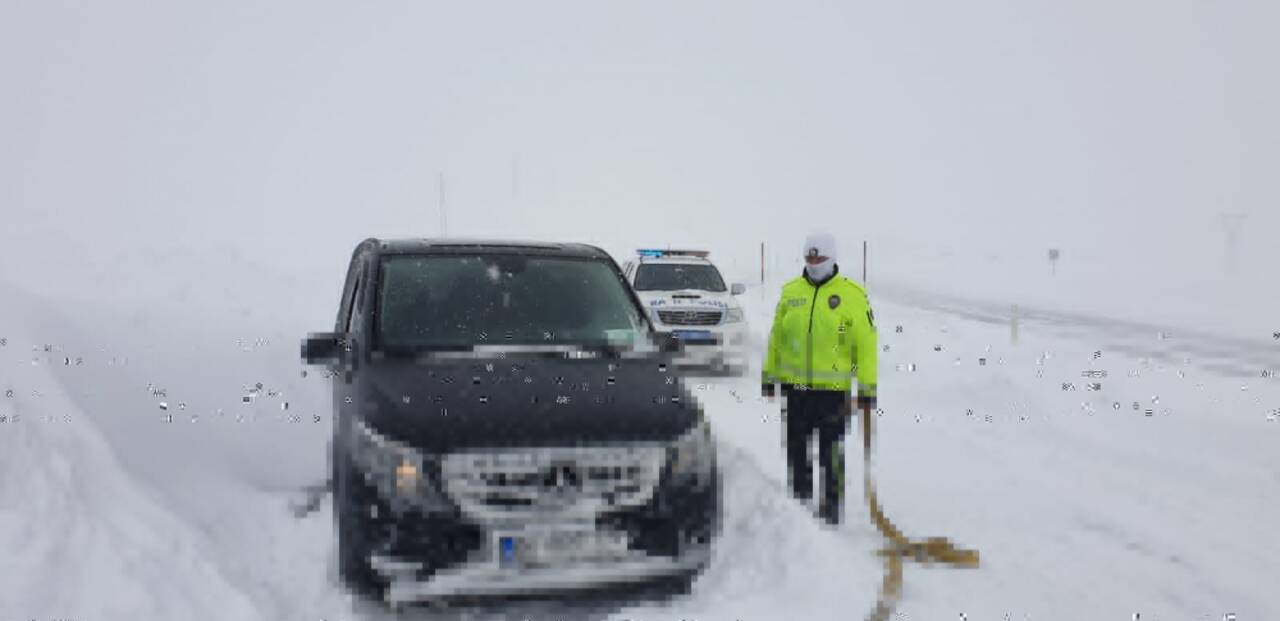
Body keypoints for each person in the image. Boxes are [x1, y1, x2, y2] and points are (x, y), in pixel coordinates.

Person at [762, 232, 878, 524]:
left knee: (831, 453)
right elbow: (777, 338)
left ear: (832, 258)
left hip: (833, 393)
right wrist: (769, 375)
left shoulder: (852, 294)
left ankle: (831, 508)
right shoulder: (791, 292)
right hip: (797, 389)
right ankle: (799, 506)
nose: (814, 264)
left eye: (820, 258)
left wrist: (866, 388)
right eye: (809, 258)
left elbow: (865, 345)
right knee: (796, 450)